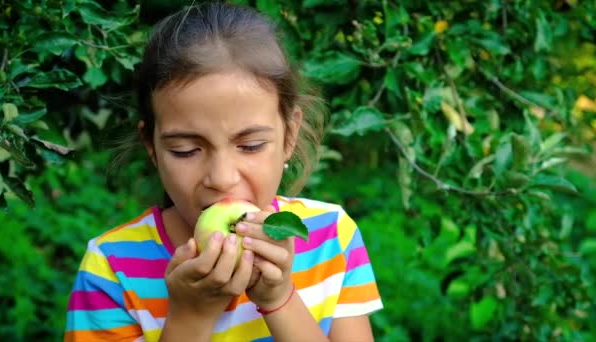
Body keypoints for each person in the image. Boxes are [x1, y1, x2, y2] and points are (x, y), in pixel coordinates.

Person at [64, 2, 383, 341]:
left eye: (250, 146)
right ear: (152, 147)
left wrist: (279, 299)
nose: (221, 178)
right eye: (185, 150)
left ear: (289, 137)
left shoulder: (329, 238)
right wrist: (191, 317)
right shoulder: (111, 269)